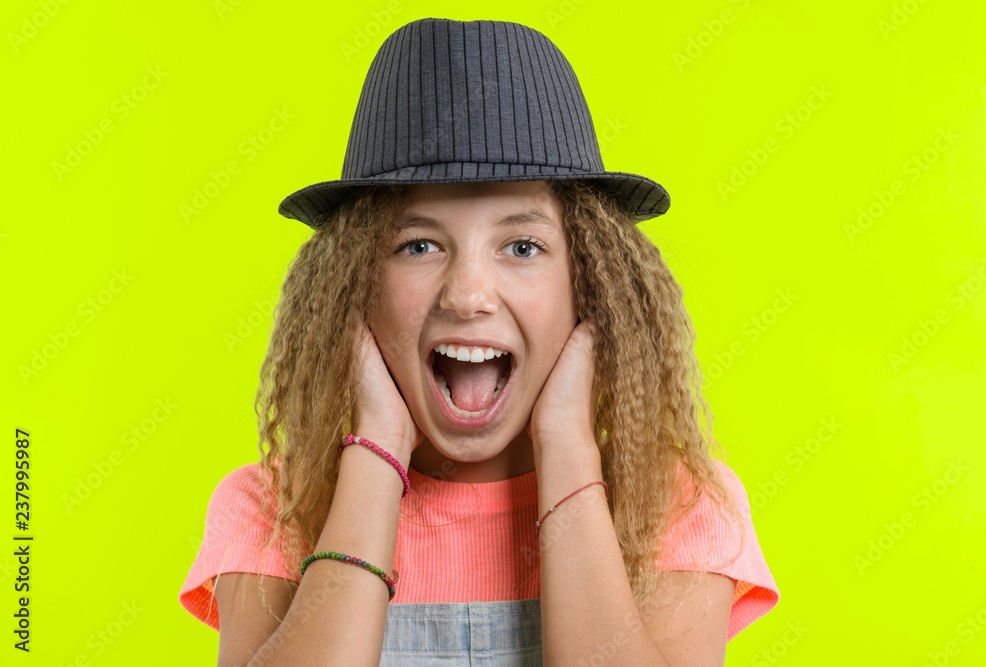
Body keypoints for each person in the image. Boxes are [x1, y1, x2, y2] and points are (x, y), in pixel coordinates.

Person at [179, 17, 779, 666]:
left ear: (589, 280)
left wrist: (567, 449)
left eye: (522, 246)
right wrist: (377, 451)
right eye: (419, 245)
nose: (467, 294)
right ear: (354, 283)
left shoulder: (676, 504)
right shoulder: (273, 510)